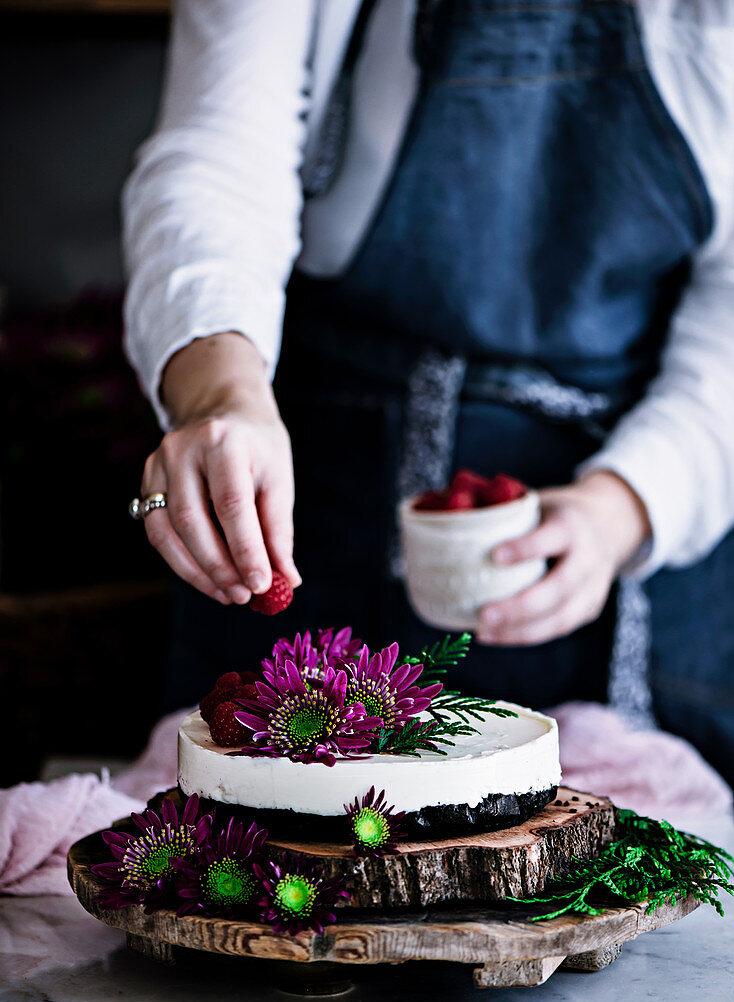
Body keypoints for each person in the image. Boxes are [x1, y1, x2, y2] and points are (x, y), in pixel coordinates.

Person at [123, 0, 734, 786]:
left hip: (633, 526)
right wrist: (219, 395)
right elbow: (220, 153)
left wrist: (630, 504)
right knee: (275, 847)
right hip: (323, 497)